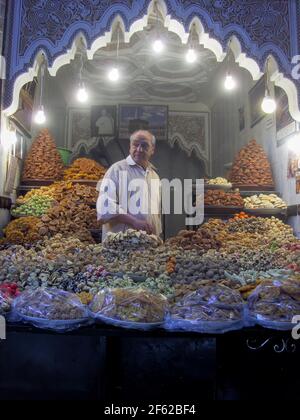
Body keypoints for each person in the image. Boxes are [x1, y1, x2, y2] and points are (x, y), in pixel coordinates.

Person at [97, 130, 162, 241]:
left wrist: (156, 236)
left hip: (147, 246)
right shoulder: (117, 170)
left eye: (145, 145)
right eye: (135, 144)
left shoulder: (154, 176)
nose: (139, 149)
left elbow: (156, 215)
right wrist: (134, 221)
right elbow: (105, 207)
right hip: (120, 246)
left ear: (152, 150)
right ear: (130, 147)